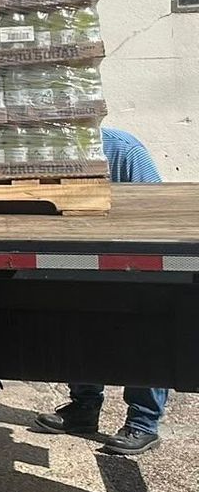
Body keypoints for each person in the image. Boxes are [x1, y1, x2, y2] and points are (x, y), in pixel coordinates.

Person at [34, 127, 169, 456]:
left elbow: (157, 208)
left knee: (142, 335)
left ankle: (144, 423)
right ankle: (83, 409)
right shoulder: (44, 151)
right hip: (78, 255)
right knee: (81, 330)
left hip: (129, 258)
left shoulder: (122, 150)